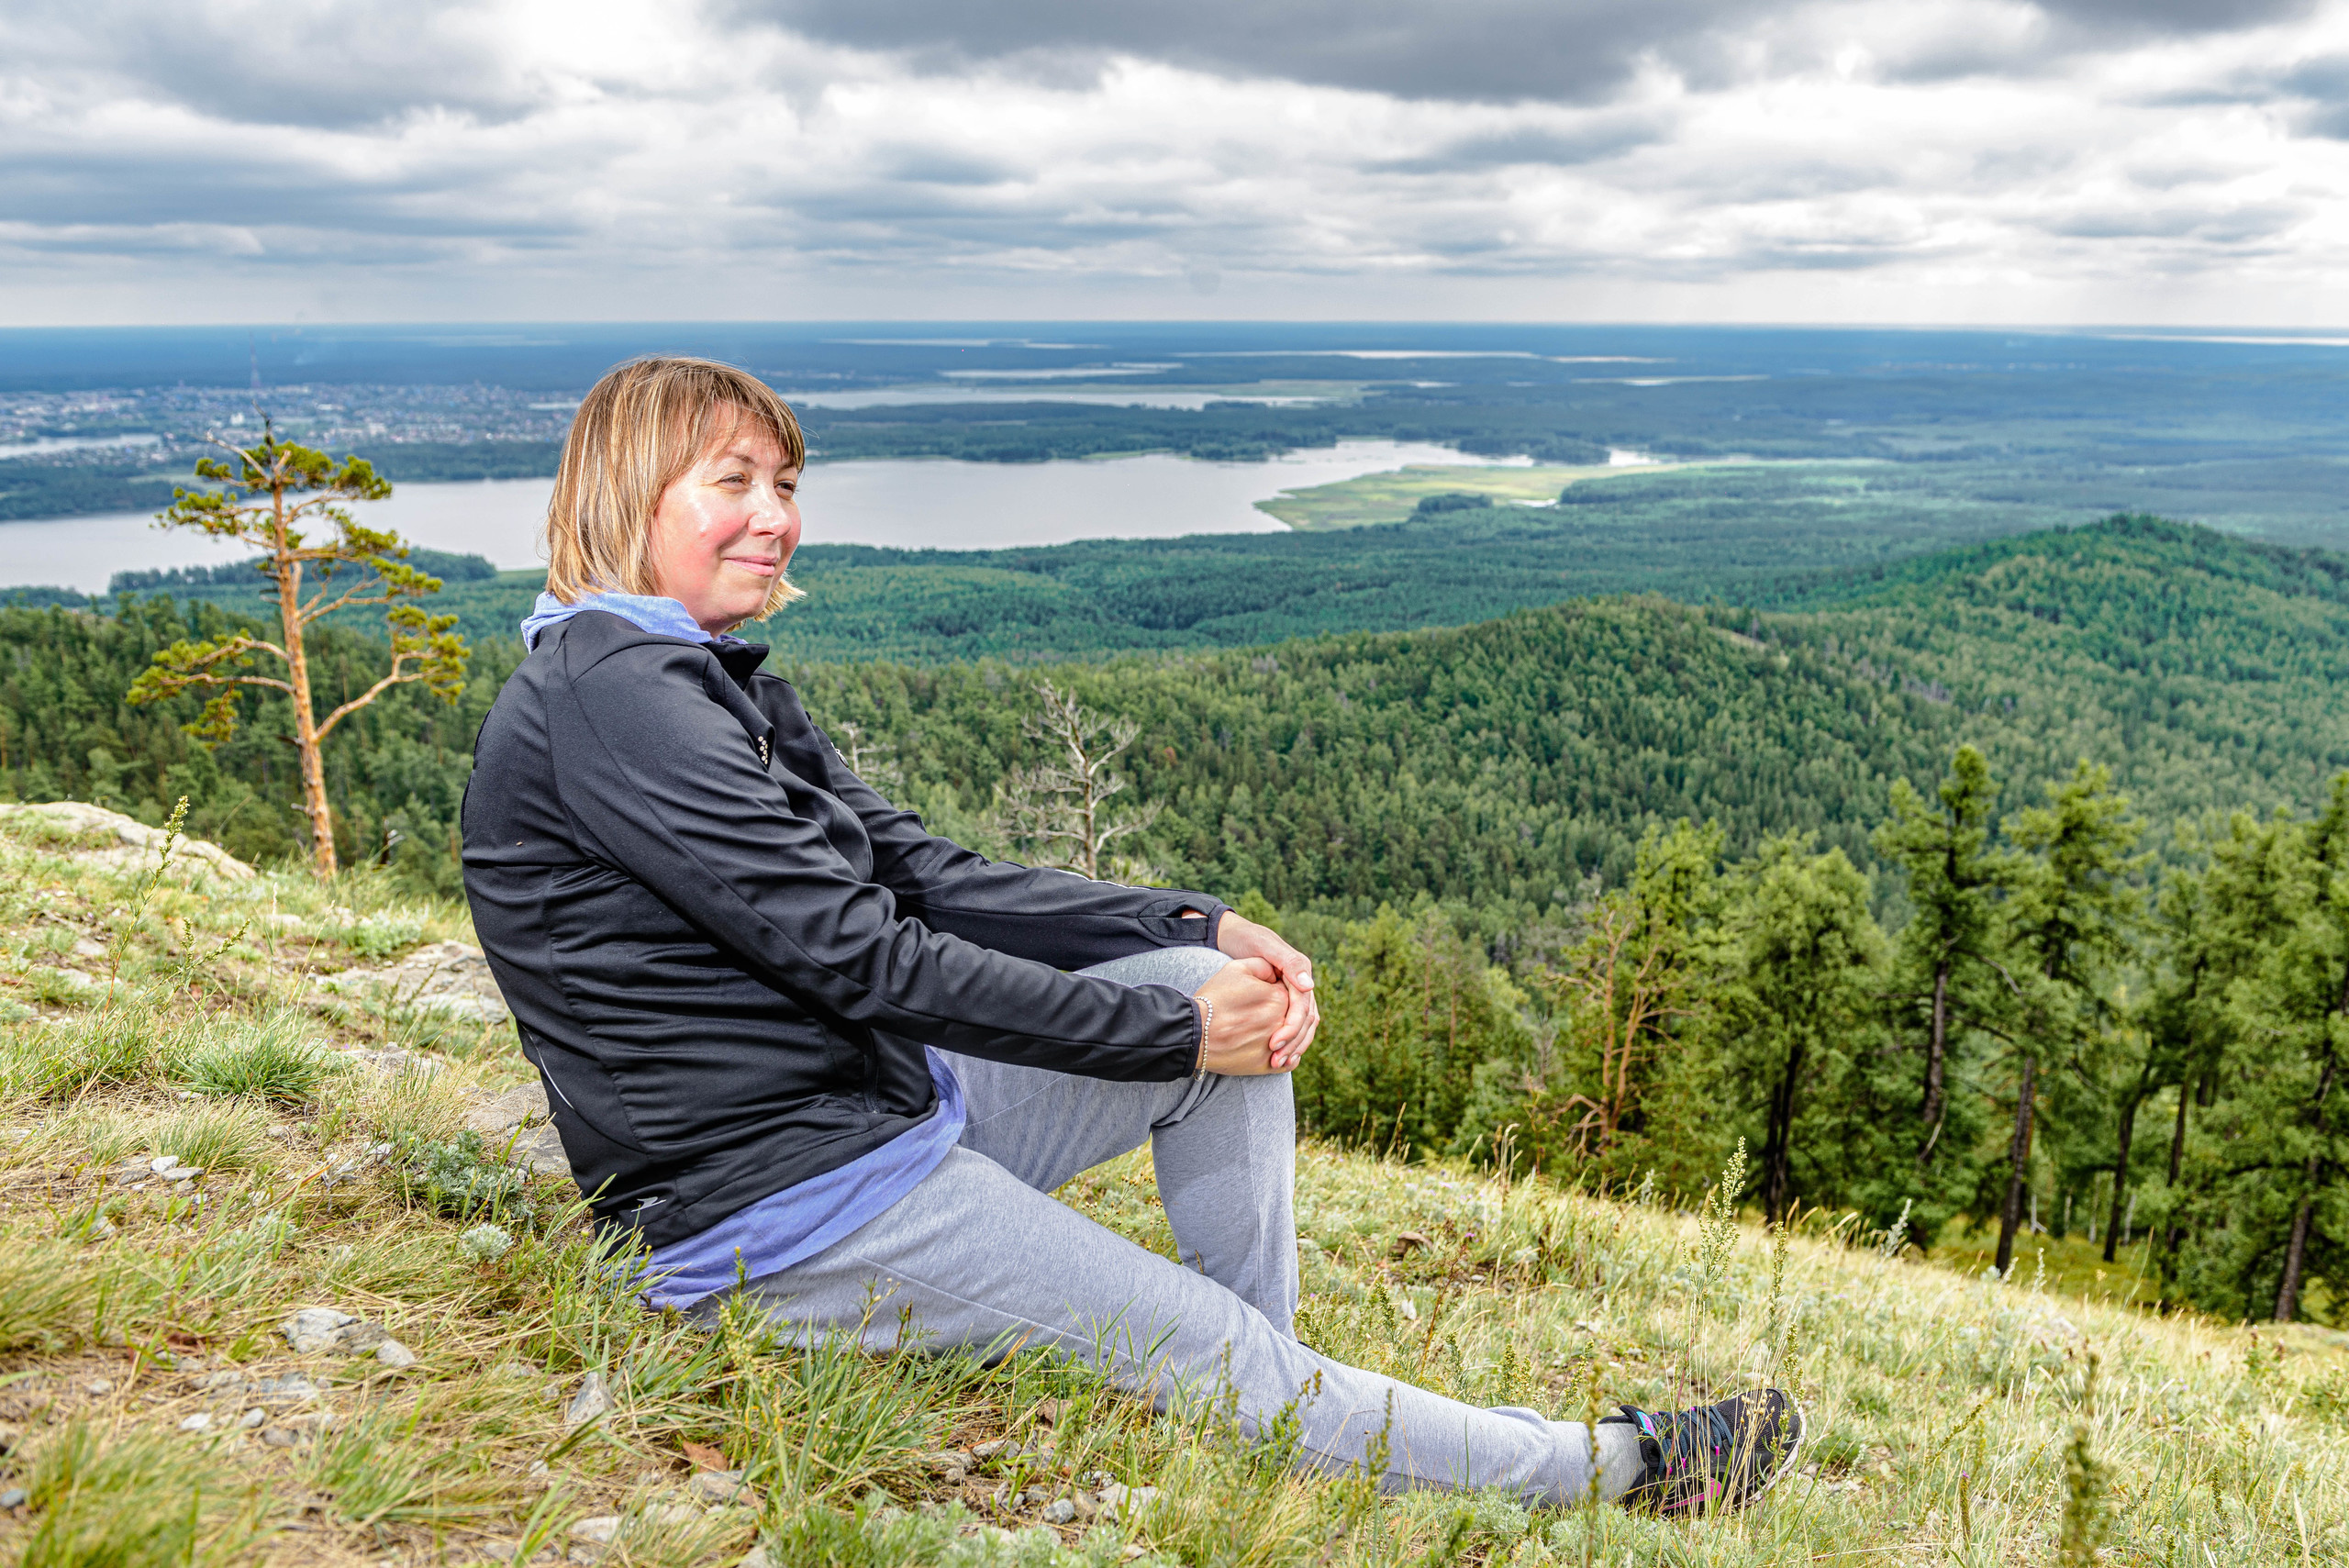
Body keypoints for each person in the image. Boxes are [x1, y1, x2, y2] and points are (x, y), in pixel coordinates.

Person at [460, 355, 1803, 1517]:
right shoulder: (617, 700)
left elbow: (924, 874)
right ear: (626, 494)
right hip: (782, 1213)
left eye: (786, 485)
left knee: (1221, 1007)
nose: (776, 519)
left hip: (870, 1116)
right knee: (1196, 1113)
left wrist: (1192, 928)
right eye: (732, 483)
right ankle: (1616, 1469)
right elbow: (861, 956)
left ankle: (1276, 1388)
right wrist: (1166, 1027)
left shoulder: (697, 680)